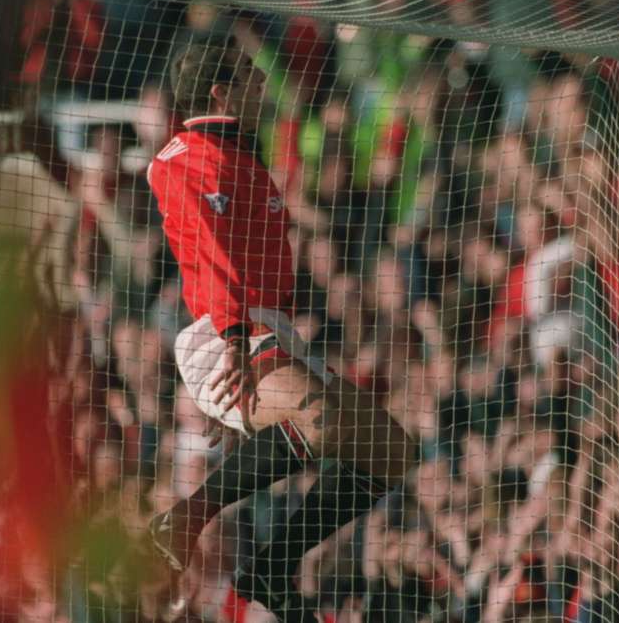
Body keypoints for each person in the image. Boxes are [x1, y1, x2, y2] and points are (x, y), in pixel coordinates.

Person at [144, 40, 416, 617]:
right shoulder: (181, 157)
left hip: (267, 334)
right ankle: (187, 517)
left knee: (392, 451)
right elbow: (218, 263)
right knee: (316, 415)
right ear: (220, 90)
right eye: (248, 75)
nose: (261, 85)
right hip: (224, 335)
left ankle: (272, 567)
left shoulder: (240, 153)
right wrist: (239, 349)